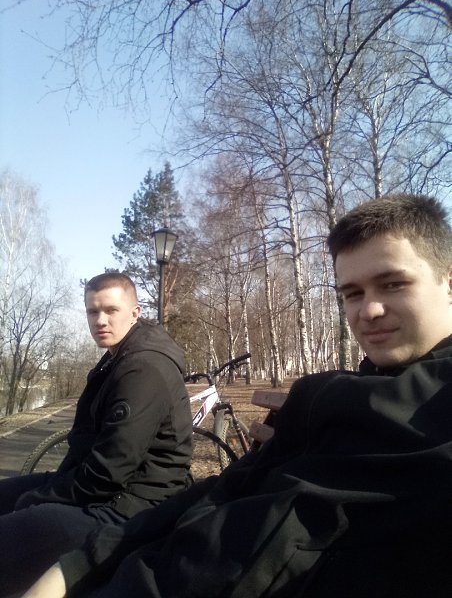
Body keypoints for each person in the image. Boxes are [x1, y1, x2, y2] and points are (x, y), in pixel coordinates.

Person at [23, 194, 452, 598]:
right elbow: (225, 489)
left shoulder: (429, 410)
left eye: (393, 284)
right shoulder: (338, 397)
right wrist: (82, 563)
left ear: (448, 283)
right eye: (352, 293)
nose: (369, 310)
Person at [0, 273, 193, 597]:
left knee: (13, 529)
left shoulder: (143, 369)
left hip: (133, 507)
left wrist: (39, 498)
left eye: (111, 310)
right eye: (93, 311)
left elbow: (108, 472)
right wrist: (46, 489)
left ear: (134, 312)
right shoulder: (119, 356)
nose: (100, 320)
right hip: (108, 491)